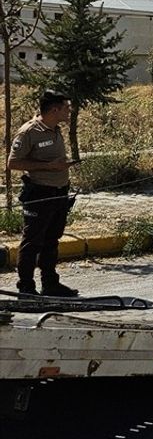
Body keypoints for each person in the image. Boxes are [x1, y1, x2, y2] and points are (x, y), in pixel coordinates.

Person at [7, 91, 78, 296]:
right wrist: (49, 167)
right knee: (32, 242)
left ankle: (50, 284)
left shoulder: (55, 129)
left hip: (59, 193)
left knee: (51, 240)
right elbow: (12, 163)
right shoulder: (29, 132)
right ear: (54, 109)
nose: (69, 111)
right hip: (39, 194)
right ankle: (26, 288)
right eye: (66, 107)